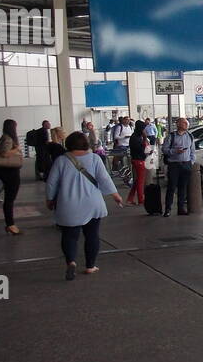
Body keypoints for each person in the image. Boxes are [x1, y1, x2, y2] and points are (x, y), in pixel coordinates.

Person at [45, 131, 122, 281]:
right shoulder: (94, 159)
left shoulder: (61, 161)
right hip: (92, 203)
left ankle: (71, 261)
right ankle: (90, 265)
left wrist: (49, 199)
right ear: (86, 143)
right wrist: (116, 195)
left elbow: (51, 182)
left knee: (69, 236)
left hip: (69, 204)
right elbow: (104, 178)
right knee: (92, 235)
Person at [0, 119, 25, 235]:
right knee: (10, 199)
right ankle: (10, 224)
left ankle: (10, 223)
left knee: (9, 198)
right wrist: (16, 149)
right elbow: (4, 153)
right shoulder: (8, 138)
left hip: (5, 171)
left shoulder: (4, 137)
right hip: (10, 171)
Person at [161, 117, 195, 216]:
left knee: (183, 187)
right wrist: (175, 151)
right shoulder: (171, 136)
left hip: (186, 164)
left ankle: (181, 208)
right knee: (171, 187)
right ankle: (168, 209)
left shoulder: (190, 136)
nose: (186, 125)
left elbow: (192, 151)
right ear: (178, 124)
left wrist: (191, 162)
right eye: (184, 123)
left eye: (186, 123)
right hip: (174, 164)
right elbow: (164, 149)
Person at [126, 120, 149, 206]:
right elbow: (141, 149)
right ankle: (141, 199)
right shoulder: (136, 137)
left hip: (138, 159)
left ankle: (130, 199)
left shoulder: (136, 136)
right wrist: (145, 139)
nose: (144, 131)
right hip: (138, 160)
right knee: (140, 181)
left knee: (137, 181)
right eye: (143, 129)